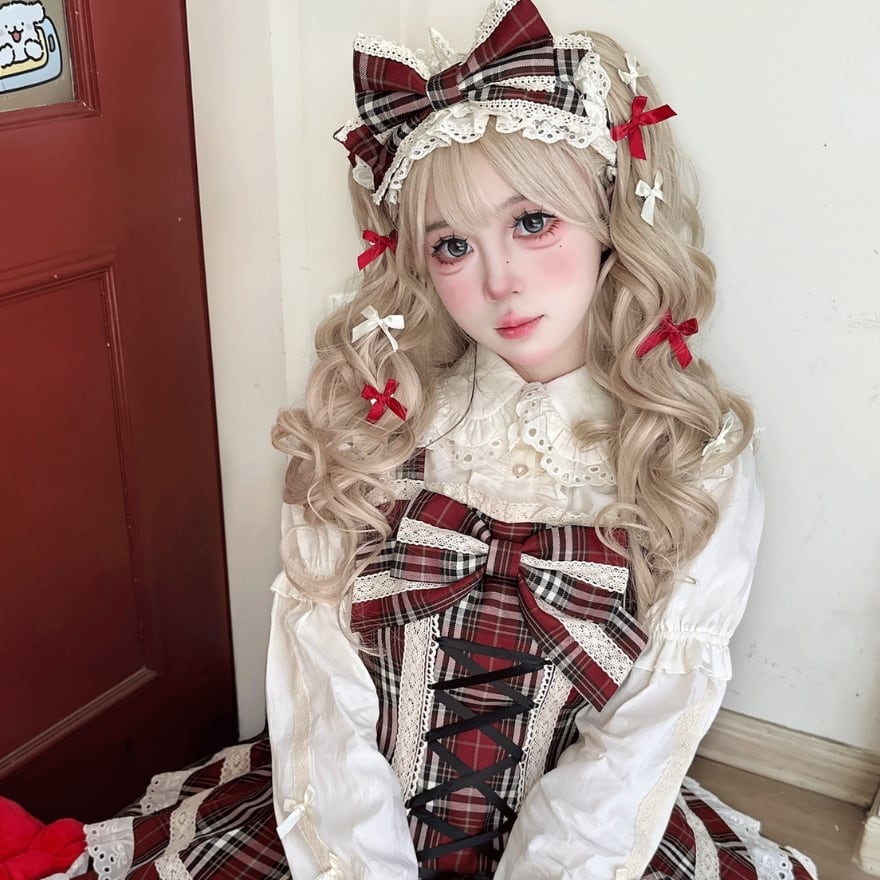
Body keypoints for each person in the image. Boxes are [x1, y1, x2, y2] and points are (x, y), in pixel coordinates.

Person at [82, 1, 819, 878]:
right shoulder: (376, 422)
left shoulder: (690, 452)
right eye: (452, 246)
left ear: (611, 216)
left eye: (533, 222)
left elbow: (647, 726)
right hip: (349, 835)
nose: (500, 282)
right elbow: (324, 690)